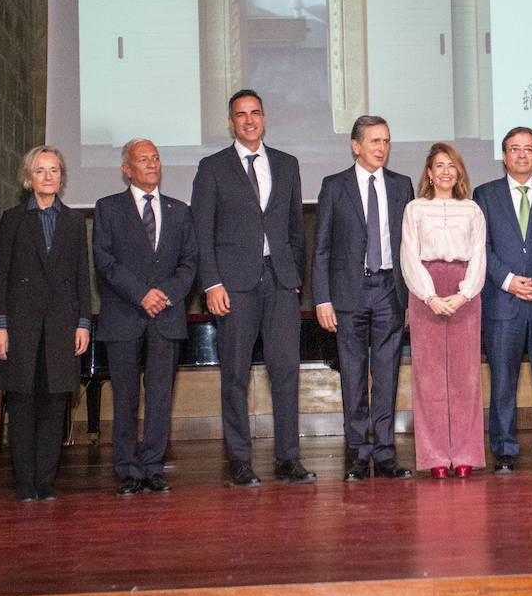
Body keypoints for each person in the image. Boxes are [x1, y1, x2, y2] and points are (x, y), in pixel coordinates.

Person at [191, 89, 314, 487]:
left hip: (280, 283)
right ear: (231, 122)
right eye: (241, 115)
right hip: (233, 286)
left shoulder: (287, 164)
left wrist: (294, 277)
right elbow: (201, 232)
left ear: (264, 118)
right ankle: (240, 461)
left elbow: (296, 230)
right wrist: (211, 282)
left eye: (255, 113)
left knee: (286, 372)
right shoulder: (212, 167)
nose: (249, 120)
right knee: (235, 376)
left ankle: (288, 459)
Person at [92, 139, 199, 495]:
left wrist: (164, 294)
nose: (152, 164)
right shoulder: (107, 208)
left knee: (159, 397)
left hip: (166, 318)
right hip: (123, 315)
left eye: (156, 158)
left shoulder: (180, 211)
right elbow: (105, 261)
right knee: (124, 397)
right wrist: (141, 294)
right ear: (127, 169)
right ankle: (128, 470)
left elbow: (189, 263)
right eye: (143, 159)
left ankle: (153, 467)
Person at [313, 115, 414, 481]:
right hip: (347, 294)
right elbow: (321, 247)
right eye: (374, 141)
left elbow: (410, 247)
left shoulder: (402, 185)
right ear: (356, 146)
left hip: (390, 291)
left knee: (386, 377)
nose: (381, 148)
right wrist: (321, 299)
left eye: (386, 141)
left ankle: (386, 454)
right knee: (353, 377)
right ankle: (358, 453)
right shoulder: (334, 186)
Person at [0, 146, 92, 501]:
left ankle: (45, 482)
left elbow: (82, 276)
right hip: (20, 327)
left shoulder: (75, 222)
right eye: (40, 171)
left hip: (63, 327)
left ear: (61, 177)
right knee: (22, 404)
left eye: (54, 170)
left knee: (53, 405)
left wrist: (83, 323)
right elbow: (0, 274)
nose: (48, 176)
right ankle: (25, 483)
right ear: (27, 178)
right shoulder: (13, 219)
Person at [472, 127, 532, 474]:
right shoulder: (484, 195)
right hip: (503, 302)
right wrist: (510, 281)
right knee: (502, 381)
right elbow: (481, 248)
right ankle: (504, 452)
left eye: (529, 149)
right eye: (515, 149)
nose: (522, 155)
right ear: (504, 156)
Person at [400, 144, 488, 478]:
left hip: (466, 288)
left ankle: (465, 454)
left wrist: (463, 293)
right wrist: (429, 295)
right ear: (429, 172)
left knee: (466, 377)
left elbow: (479, 255)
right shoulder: (415, 209)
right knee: (429, 377)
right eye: (439, 165)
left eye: (452, 165)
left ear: (459, 172)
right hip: (426, 288)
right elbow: (409, 254)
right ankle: (436, 458)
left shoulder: (472, 210)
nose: (446, 171)